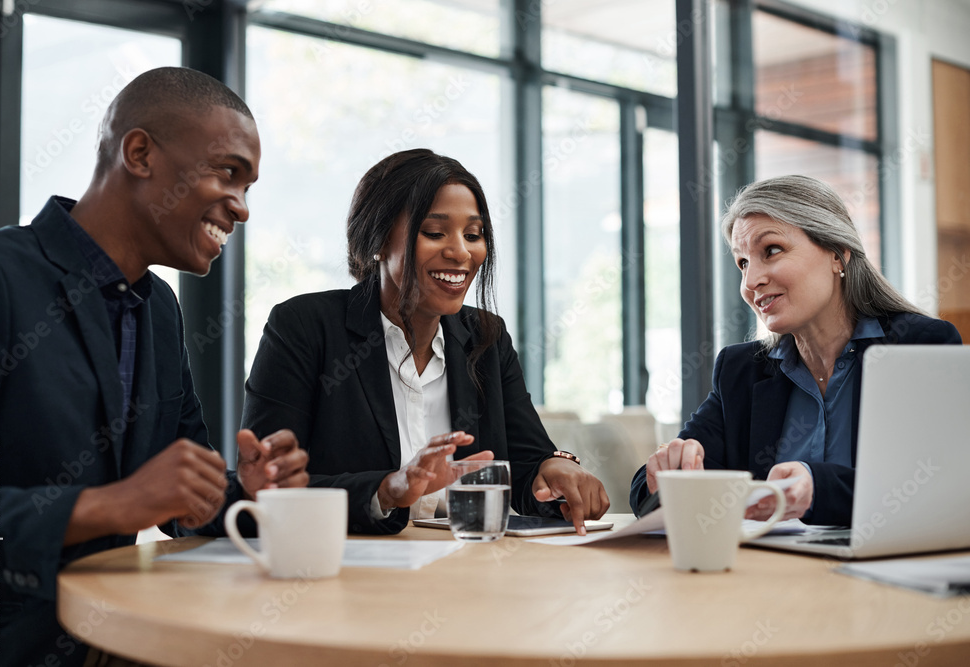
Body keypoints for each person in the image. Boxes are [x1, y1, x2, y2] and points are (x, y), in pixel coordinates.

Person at [0, 67, 308, 667]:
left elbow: (181, 503)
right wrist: (113, 504)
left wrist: (243, 494)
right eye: (228, 173)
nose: (241, 208)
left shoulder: (159, 310)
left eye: (249, 186)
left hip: (120, 641)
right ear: (140, 154)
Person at [242, 148, 609, 536]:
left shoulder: (487, 337)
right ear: (378, 238)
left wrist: (554, 470)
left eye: (473, 235)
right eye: (434, 233)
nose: (461, 252)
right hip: (345, 563)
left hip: (467, 563)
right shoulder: (303, 327)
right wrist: (387, 490)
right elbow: (268, 485)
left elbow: (526, 465)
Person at [629, 175, 961, 527]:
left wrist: (816, 488)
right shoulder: (741, 370)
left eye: (771, 251)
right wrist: (670, 471)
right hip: (769, 563)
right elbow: (644, 494)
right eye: (743, 263)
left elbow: (941, 486)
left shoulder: (920, 344)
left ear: (838, 254)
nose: (751, 281)